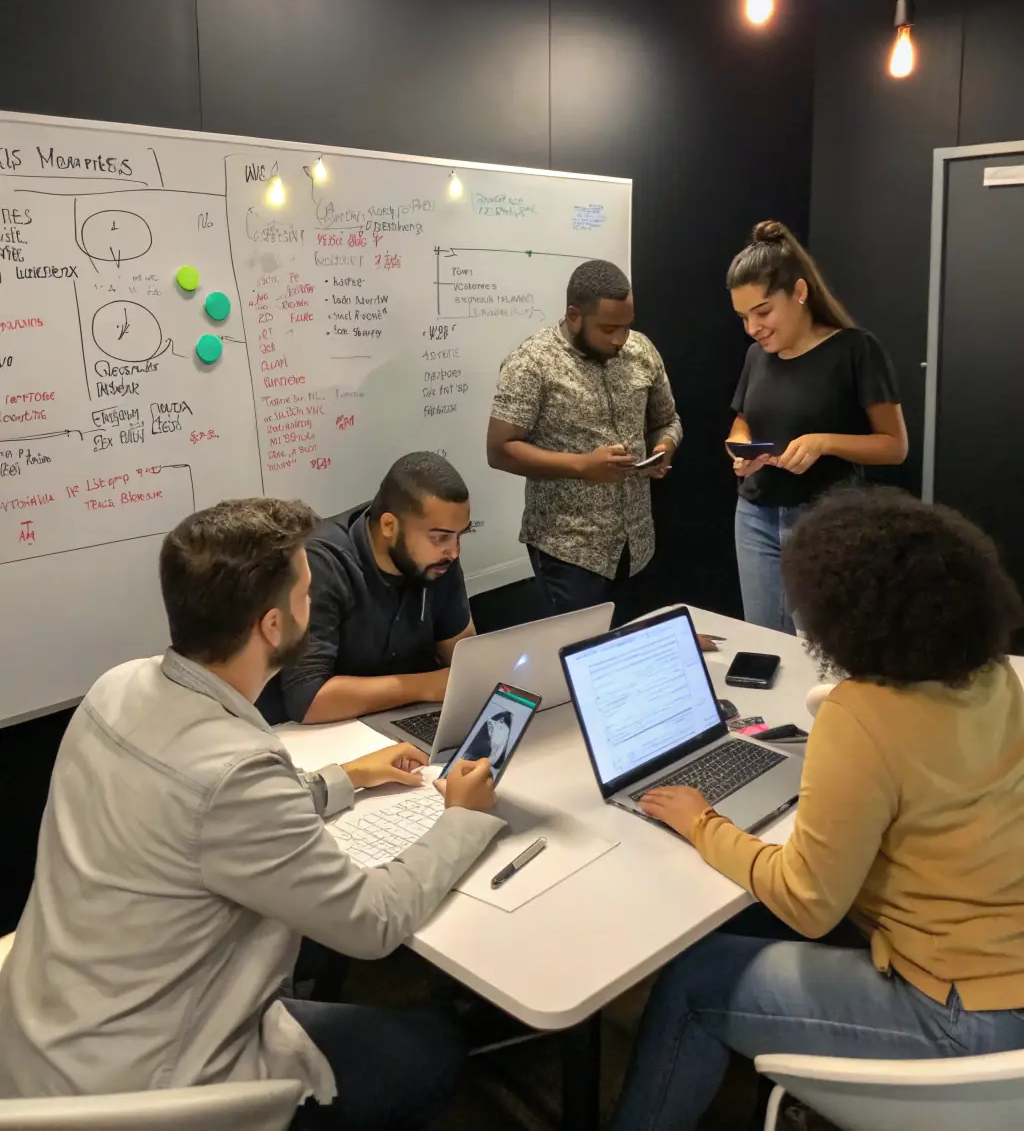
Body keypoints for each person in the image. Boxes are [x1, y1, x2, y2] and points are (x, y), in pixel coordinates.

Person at [0, 498, 503, 1131]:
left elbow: (193, 809)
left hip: (47, 1041)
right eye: (307, 595)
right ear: (272, 626)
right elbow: (372, 923)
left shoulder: (116, 688)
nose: (314, 605)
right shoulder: (237, 771)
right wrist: (462, 815)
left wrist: (344, 778)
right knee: (433, 1051)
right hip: (149, 1093)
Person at [609, 487, 1024, 1131]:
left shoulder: (860, 717)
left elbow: (807, 902)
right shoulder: (994, 675)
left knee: (692, 981)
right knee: (737, 929)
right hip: (1003, 970)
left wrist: (701, 822)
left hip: (961, 1015)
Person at [726, 220, 907, 633]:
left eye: (763, 312)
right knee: (765, 642)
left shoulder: (856, 349)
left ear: (800, 293)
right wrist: (740, 446)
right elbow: (742, 420)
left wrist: (824, 442)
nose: (753, 329)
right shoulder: (757, 356)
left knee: (821, 648)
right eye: (743, 317)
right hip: (754, 515)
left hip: (825, 521)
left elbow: (894, 446)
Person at [487, 259, 684, 622]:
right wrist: (582, 466)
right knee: (581, 662)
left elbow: (668, 420)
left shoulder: (640, 351)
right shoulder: (531, 363)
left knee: (633, 649)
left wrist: (662, 448)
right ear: (574, 316)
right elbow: (500, 450)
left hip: (636, 542)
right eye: (609, 328)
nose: (620, 339)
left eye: (626, 326)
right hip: (569, 550)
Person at [259, 452, 475, 725]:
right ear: (389, 525)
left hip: (407, 721)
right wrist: (427, 686)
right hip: (330, 736)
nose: (454, 552)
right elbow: (308, 699)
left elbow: (464, 658)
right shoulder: (322, 563)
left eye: (460, 535)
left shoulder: (438, 561)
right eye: (441, 537)